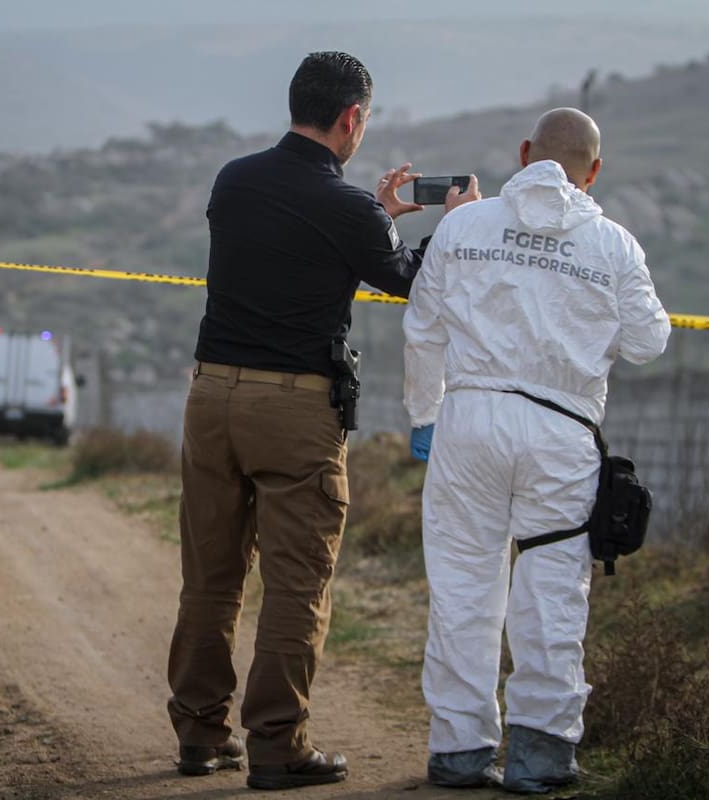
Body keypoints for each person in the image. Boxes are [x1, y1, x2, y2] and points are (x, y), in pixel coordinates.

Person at [166, 51, 480, 791]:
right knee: (296, 584)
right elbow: (410, 281)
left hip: (211, 397)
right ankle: (277, 746)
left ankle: (200, 733)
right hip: (294, 408)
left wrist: (378, 219)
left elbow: (296, 238)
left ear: (295, 104)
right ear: (353, 118)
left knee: (209, 577)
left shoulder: (234, 180)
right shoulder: (351, 212)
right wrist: (453, 228)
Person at [402, 107, 671, 793]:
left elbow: (423, 330)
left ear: (524, 154)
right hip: (561, 432)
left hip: (468, 422)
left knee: (464, 587)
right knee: (551, 590)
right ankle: (541, 754)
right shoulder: (614, 243)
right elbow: (648, 343)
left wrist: (424, 417)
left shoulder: (463, 224)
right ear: (596, 171)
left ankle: (460, 751)